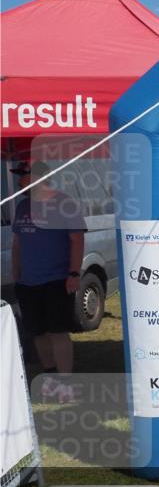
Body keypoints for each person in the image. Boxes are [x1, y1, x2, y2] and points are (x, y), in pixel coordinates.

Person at [10, 161, 86, 400]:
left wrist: (74, 273)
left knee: (58, 331)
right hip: (27, 282)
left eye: (24, 175)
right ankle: (50, 376)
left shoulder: (64, 203)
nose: (20, 181)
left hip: (56, 279)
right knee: (38, 332)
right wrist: (15, 273)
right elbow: (17, 244)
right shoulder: (22, 206)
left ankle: (66, 383)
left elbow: (77, 240)